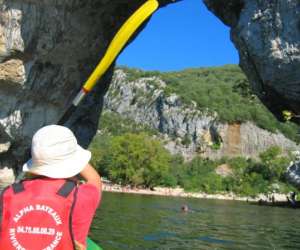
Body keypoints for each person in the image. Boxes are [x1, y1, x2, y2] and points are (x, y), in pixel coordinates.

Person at [0, 125, 102, 250]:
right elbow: (95, 179)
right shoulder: (83, 196)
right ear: (75, 163)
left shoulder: (10, 194)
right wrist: (74, 156)